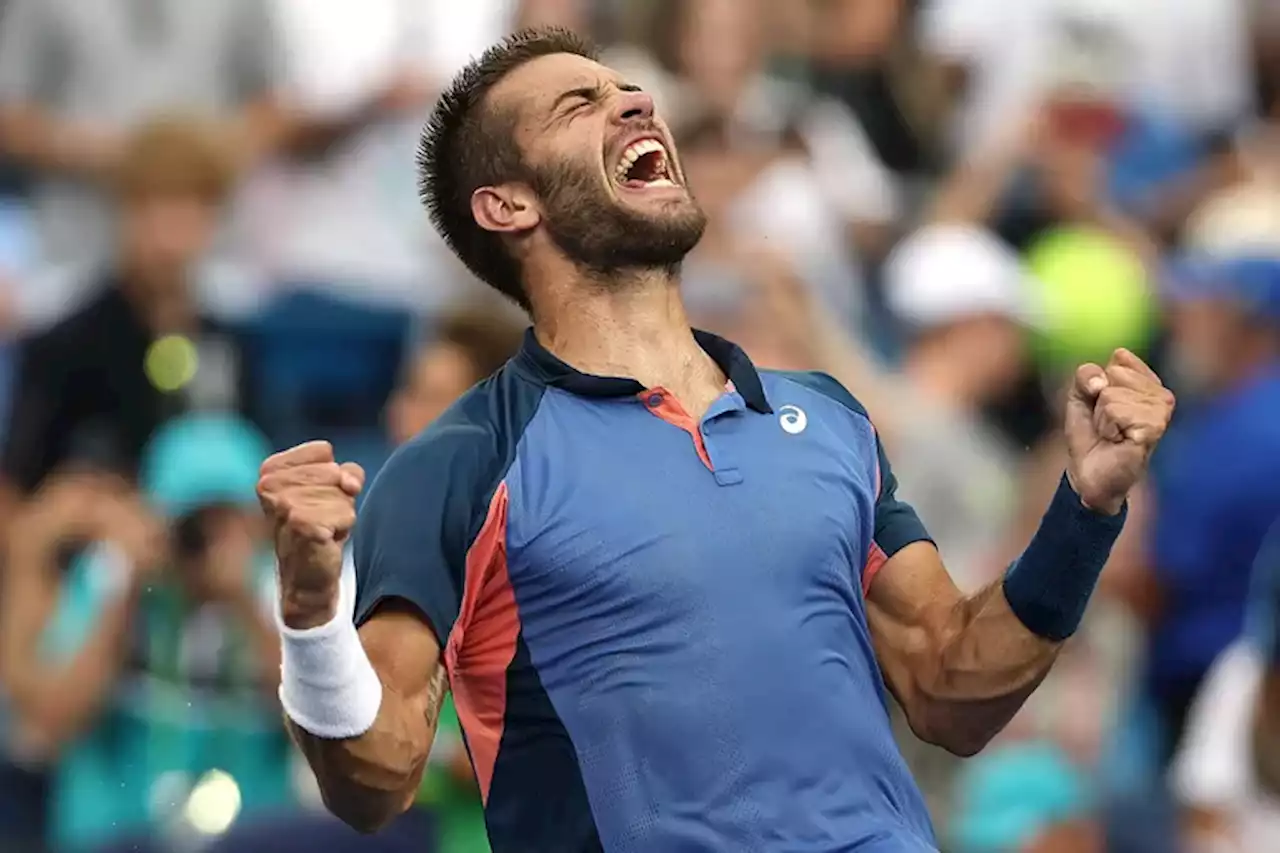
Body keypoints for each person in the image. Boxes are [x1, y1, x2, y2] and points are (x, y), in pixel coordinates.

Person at [256, 28, 1175, 852]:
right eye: (582, 104)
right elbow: (376, 778)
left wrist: (1083, 510)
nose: (634, 100)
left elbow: (949, 684)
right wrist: (306, 609)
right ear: (507, 206)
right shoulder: (458, 465)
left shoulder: (830, 419)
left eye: (629, 90)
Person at [0, 414, 289, 851]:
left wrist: (245, 605)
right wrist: (125, 596)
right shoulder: (108, 578)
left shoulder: (284, 592)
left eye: (224, 521)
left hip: (251, 837)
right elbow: (50, 723)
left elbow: (322, 734)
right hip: (114, 836)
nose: (204, 543)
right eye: (192, 523)